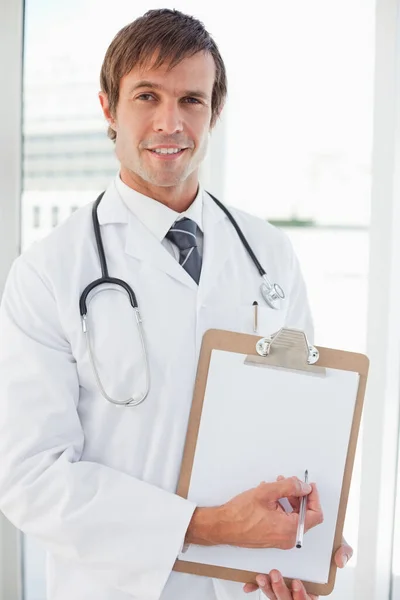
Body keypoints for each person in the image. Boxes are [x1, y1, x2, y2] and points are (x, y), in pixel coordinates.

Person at [0, 8, 352, 600]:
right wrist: (205, 527)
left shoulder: (269, 254)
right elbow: (31, 478)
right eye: (146, 96)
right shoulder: (48, 272)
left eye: (191, 99)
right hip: (115, 587)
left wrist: (310, 545)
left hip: (248, 580)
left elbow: (303, 418)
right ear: (109, 109)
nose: (170, 122)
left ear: (214, 113)